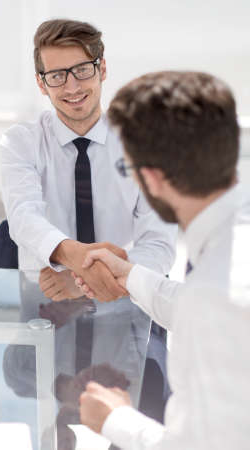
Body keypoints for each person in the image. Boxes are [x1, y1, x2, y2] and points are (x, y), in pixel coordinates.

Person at [0, 17, 176, 429]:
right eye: (57, 75)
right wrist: (77, 261)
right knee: (16, 376)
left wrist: (82, 278)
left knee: (152, 396)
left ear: (102, 68)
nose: (72, 87)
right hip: (47, 304)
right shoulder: (20, 142)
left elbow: (159, 244)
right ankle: (60, 418)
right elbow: (24, 218)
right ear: (42, 83)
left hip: (126, 300)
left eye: (82, 70)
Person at [77, 71, 250, 449]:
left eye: (128, 169)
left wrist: (114, 420)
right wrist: (132, 277)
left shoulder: (214, 300)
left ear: (152, 178)